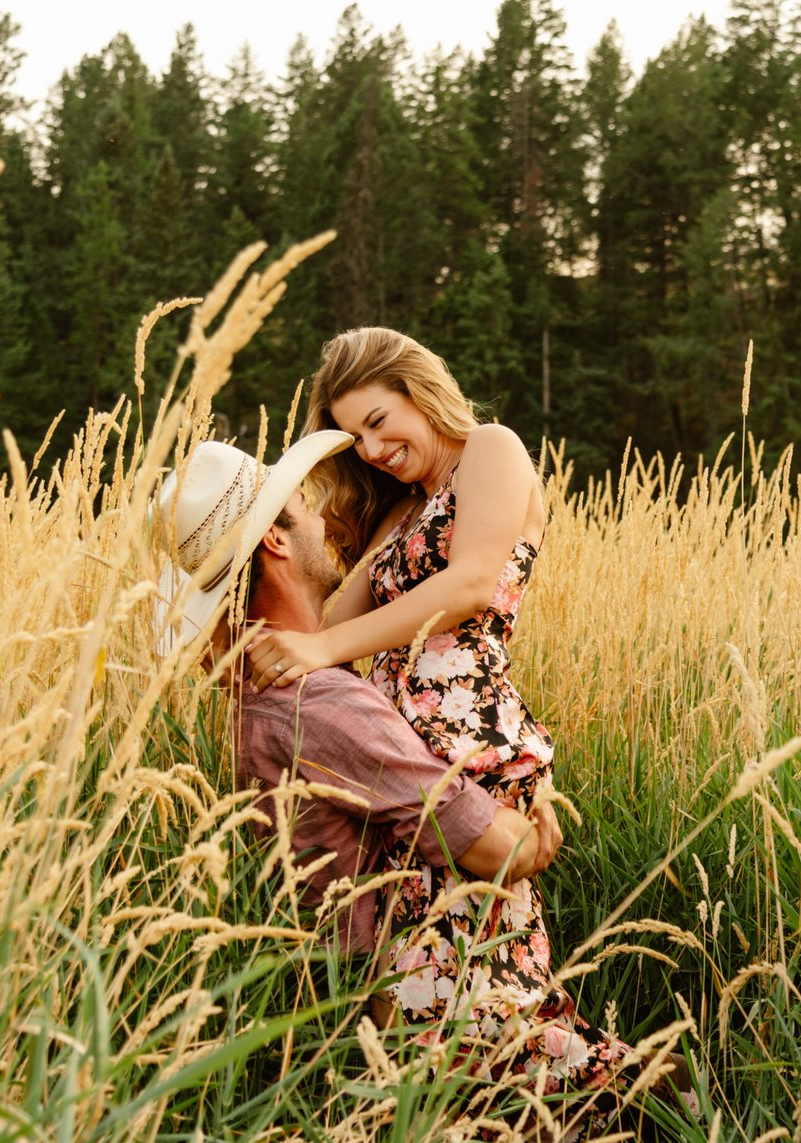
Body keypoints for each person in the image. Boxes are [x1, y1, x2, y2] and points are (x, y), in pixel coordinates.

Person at [244, 328, 636, 1118]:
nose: (376, 447)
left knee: (478, 993)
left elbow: (467, 584)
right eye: (357, 436)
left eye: (384, 420)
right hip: (397, 761)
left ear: (421, 391)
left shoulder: (490, 450)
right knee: (437, 997)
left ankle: (632, 1096)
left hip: (467, 743)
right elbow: (325, 615)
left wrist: (318, 647)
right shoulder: (400, 513)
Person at [152, 434, 562, 1003]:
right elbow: (499, 850)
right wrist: (536, 825)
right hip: (417, 1011)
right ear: (275, 539)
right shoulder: (318, 704)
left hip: (352, 997)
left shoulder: (256, 687)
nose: (321, 521)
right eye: (303, 507)